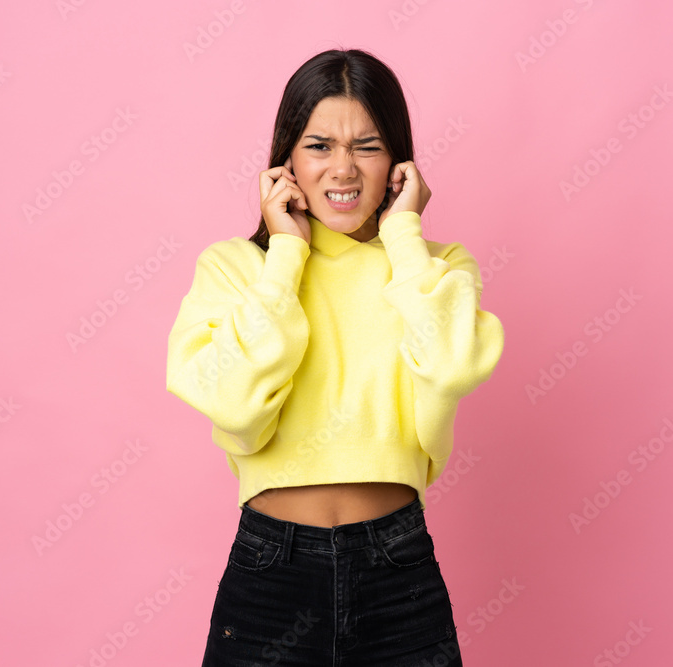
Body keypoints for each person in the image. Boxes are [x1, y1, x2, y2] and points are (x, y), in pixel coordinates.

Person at [166, 47, 504, 665]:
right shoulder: (237, 267)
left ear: (398, 164)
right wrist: (285, 257)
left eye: (367, 146)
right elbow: (234, 407)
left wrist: (403, 234)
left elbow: (452, 365)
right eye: (319, 146)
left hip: (398, 568)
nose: (343, 169)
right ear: (287, 161)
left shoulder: (434, 268)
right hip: (271, 571)